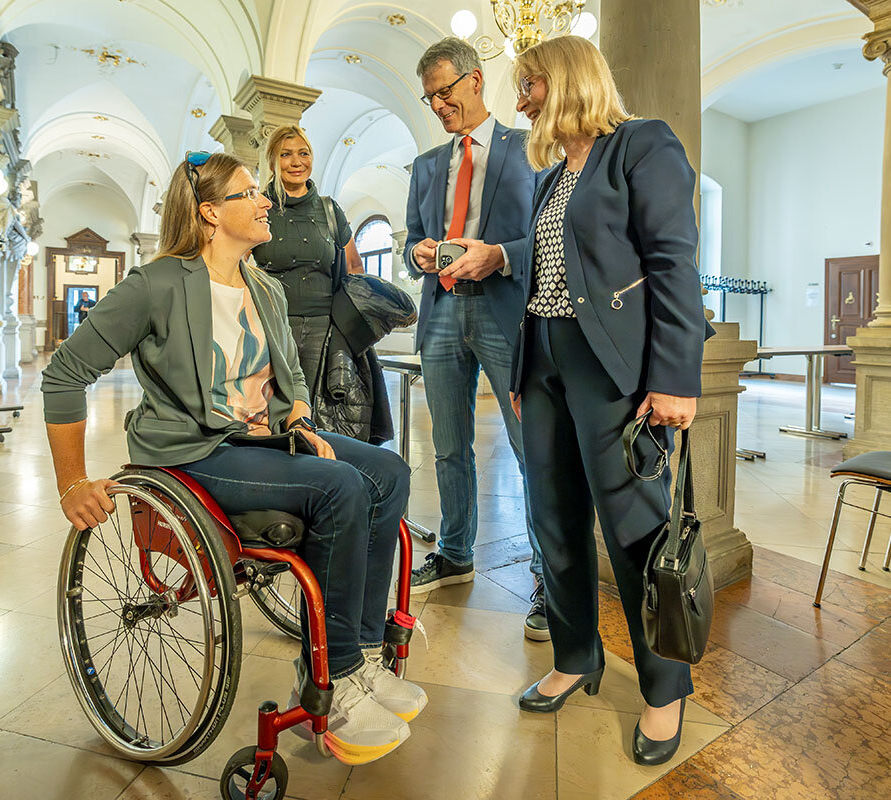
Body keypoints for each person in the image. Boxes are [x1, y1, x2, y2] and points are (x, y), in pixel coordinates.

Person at [40, 151, 425, 766]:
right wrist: (70, 483)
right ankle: (335, 678)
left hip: (261, 438)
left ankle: (363, 652)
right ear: (211, 212)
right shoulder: (157, 284)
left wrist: (298, 413)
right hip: (193, 454)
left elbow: (291, 375)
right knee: (340, 488)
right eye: (251, 192)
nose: (266, 199)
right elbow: (63, 376)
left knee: (387, 471)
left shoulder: (264, 286)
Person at [509, 36, 713, 765]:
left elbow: (673, 262)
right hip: (545, 361)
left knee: (634, 533)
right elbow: (542, 274)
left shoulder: (640, 145)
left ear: (563, 79)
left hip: (614, 367)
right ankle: (575, 656)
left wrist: (677, 375)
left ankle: (665, 690)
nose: (521, 99)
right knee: (553, 522)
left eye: (527, 85)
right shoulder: (546, 178)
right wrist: (521, 364)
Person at [403, 37, 547, 641]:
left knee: (527, 447)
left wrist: (500, 257)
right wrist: (418, 252)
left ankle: (548, 574)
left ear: (475, 81)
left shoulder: (527, 150)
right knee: (448, 446)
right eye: (429, 97)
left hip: (503, 313)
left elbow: (550, 236)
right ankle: (456, 550)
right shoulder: (427, 166)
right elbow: (412, 239)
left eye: (445, 92)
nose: (438, 105)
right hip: (439, 313)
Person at [251, 125, 394, 443]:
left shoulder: (329, 210)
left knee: (320, 414)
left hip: (323, 326)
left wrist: (355, 325)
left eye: (304, 153)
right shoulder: (259, 207)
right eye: (286, 154)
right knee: (271, 409)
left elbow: (354, 267)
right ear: (273, 160)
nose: (296, 161)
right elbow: (237, 261)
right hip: (272, 324)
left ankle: (320, 478)